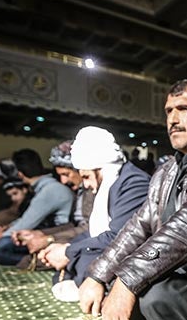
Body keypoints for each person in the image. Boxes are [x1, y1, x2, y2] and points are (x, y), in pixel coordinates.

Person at [77, 79, 187, 320]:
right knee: (122, 286)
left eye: (184, 109)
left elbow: (185, 230)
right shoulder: (166, 171)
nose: (173, 119)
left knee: (151, 294)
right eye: (168, 111)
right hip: (177, 278)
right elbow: (137, 228)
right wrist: (98, 275)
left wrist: (127, 282)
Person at [39, 126, 149, 301]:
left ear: (100, 168)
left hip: (132, 254)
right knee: (77, 256)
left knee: (84, 261)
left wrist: (68, 252)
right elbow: (94, 232)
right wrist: (64, 246)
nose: (86, 185)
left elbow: (118, 238)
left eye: (86, 177)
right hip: (113, 248)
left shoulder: (134, 183)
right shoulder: (112, 181)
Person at [12, 141, 94, 263]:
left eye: (66, 174)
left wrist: (49, 239)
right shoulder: (80, 191)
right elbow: (74, 225)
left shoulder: (93, 191)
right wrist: (39, 233)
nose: (63, 181)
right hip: (73, 237)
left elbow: (90, 229)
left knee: (24, 258)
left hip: (85, 242)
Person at [0, 148, 74, 266]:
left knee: (4, 244)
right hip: (53, 232)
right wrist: (9, 228)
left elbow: (27, 223)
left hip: (60, 235)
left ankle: (38, 260)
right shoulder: (46, 188)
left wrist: (1, 235)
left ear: (20, 174)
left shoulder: (50, 190)